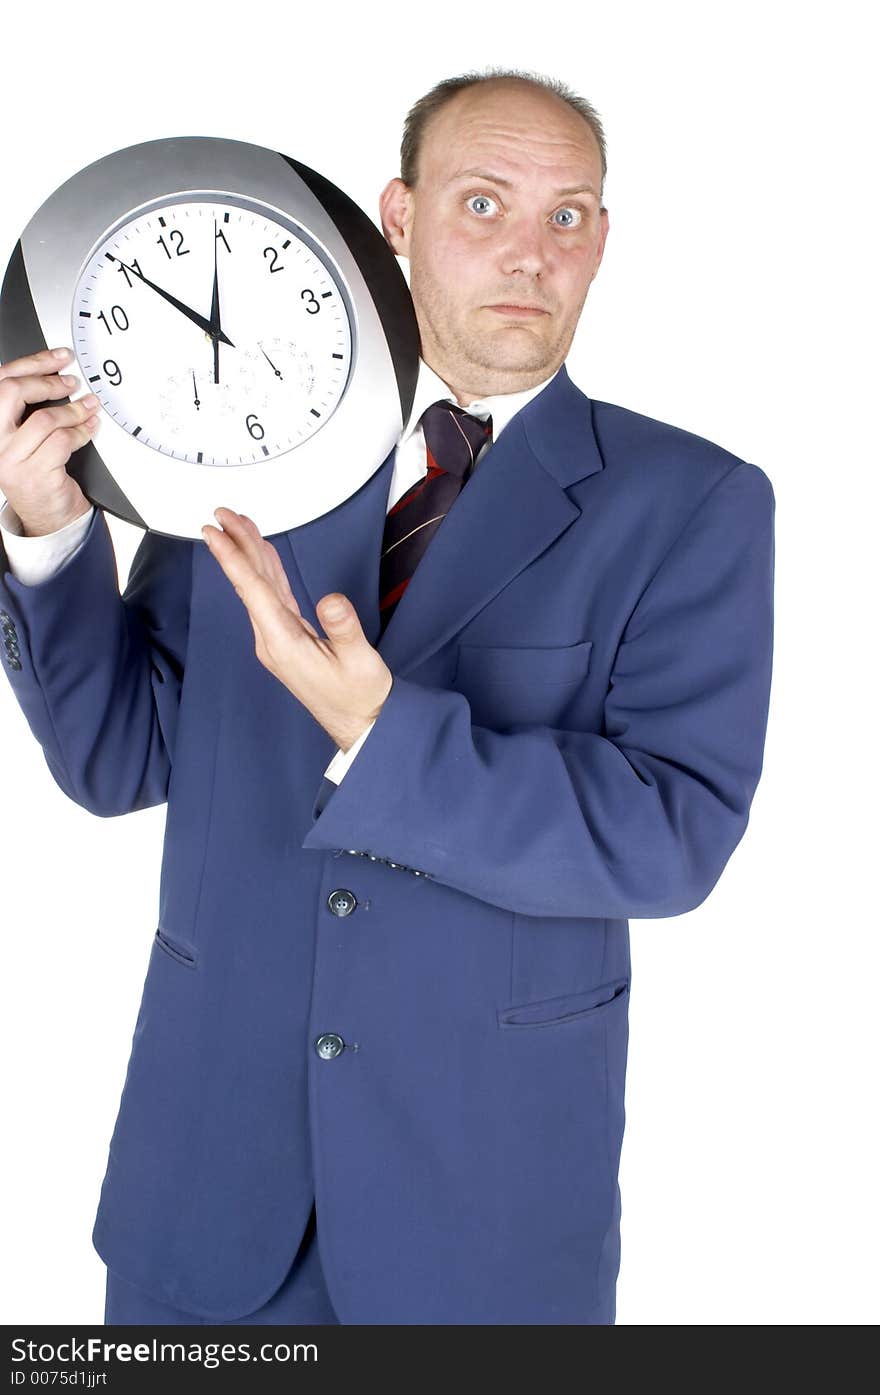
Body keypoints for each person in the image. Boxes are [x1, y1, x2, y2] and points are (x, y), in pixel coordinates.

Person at [0, 69, 775, 1325]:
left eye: (567, 217)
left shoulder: (690, 501)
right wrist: (45, 535)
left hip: (481, 1220)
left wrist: (379, 734)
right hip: (204, 1201)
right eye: (483, 205)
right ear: (396, 219)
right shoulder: (251, 438)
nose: (530, 254)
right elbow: (116, 756)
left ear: (602, 242)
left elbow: (671, 836)